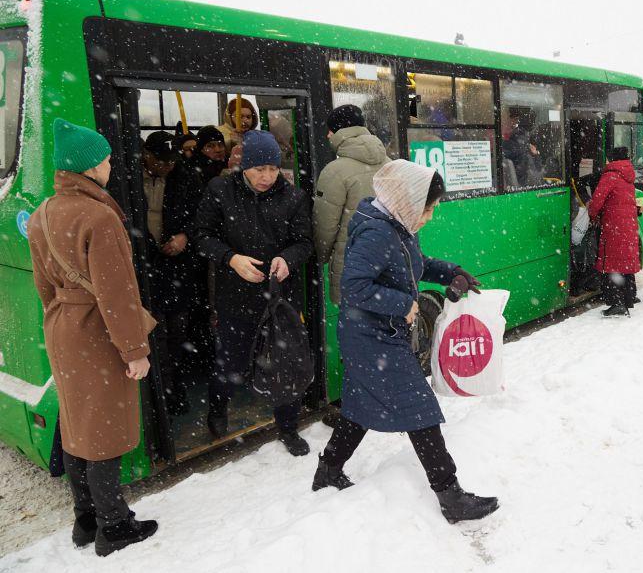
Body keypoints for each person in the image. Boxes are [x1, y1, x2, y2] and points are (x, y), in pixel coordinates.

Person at [311, 160, 499, 524]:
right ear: (409, 202)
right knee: (419, 409)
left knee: (361, 405)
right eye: (428, 208)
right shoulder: (378, 232)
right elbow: (354, 286)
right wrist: (404, 303)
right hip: (370, 337)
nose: (430, 216)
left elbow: (415, 264)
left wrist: (451, 271)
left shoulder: (397, 224)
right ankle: (450, 495)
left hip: (378, 333)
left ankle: (328, 470)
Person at [27, 119, 159, 555]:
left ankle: (85, 520)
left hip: (62, 326)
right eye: (103, 159)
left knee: (77, 424)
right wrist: (135, 350)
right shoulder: (100, 216)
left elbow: (43, 287)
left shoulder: (43, 212)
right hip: (98, 332)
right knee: (105, 430)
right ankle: (114, 526)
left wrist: (60, 320)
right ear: (88, 167)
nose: (108, 165)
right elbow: (117, 295)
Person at [194, 129, 314, 455]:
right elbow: (201, 236)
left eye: (273, 169)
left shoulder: (293, 197)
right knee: (230, 363)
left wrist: (287, 259)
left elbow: (304, 242)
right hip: (235, 298)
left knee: (284, 363)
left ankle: (288, 428)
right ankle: (217, 408)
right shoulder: (220, 191)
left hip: (279, 300)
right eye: (259, 169)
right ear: (244, 166)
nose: (266, 176)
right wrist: (230, 258)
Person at [141, 131, 204, 415]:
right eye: (161, 161)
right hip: (144, 266)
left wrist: (185, 237)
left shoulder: (187, 176)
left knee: (177, 334)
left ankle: (175, 391)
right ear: (147, 157)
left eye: (171, 161)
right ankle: (156, 395)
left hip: (177, 267)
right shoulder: (128, 177)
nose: (167, 167)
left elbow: (202, 215)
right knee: (152, 335)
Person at [313, 104, 390, 304]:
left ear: (337, 132)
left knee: (353, 326)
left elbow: (325, 226)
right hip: (388, 257)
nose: (328, 135)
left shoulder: (334, 171)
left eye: (330, 130)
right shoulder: (390, 163)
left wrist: (320, 258)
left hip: (351, 262)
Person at [587, 147, 643, 317]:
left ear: (612, 159)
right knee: (625, 263)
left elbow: (597, 201)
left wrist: (592, 213)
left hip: (614, 227)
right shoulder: (628, 176)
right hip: (627, 226)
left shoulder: (610, 175)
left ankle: (617, 304)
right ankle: (628, 298)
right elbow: (624, 202)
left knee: (611, 264)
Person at [502, 109, 541, 186]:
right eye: (514, 120)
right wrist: (536, 155)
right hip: (525, 186)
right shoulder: (523, 149)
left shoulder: (509, 143)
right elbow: (536, 172)